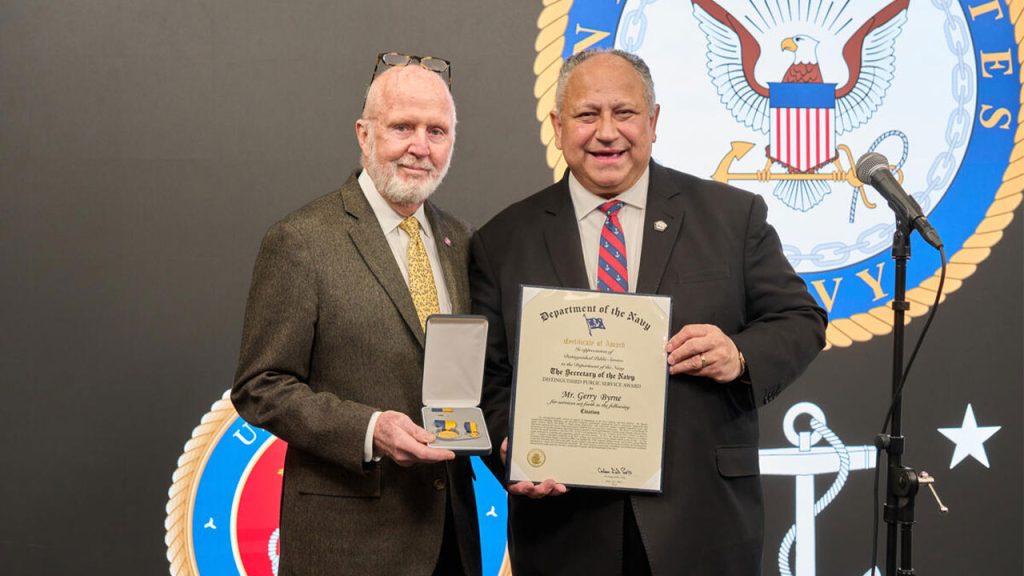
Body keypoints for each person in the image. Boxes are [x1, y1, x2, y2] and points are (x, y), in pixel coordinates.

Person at [470, 49, 827, 575]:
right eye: (587, 115)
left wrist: (739, 354)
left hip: (702, 527)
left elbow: (801, 318)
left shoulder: (732, 217)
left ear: (654, 121)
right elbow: (489, 378)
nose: (606, 132)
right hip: (564, 534)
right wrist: (509, 445)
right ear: (558, 126)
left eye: (625, 113)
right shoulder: (502, 241)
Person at [232, 52, 481, 576]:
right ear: (364, 135)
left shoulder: (462, 241)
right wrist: (370, 429)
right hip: (348, 546)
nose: (420, 146)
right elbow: (261, 385)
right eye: (402, 127)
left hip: (451, 540)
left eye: (437, 131)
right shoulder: (302, 241)